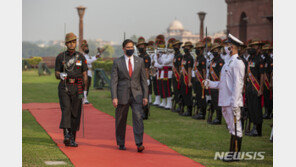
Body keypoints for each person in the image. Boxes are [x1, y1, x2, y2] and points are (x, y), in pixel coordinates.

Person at [203, 34, 245, 162]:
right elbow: (223, 84)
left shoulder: (238, 63)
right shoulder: (228, 63)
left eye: (228, 45)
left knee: (236, 128)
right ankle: (231, 153)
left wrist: (235, 103)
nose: (226, 47)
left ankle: (235, 155)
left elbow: (238, 85)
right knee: (231, 128)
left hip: (232, 102)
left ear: (233, 47)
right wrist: (209, 83)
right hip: (225, 100)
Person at [111, 39, 148, 152]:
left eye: (132, 47)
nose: (130, 49)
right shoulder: (117, 62)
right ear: (123, 49)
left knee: (138, 118)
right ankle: (121, 143)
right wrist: (114, 97)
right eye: (128, 47)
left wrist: (145, 96)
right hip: (122, 95)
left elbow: (143, 80)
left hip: (137, 94)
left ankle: (139, 143)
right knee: (121, 120)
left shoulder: (140, 61)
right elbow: (114, 81)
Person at [55, 32, 88, 147]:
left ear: (76, 43)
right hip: (65, 86)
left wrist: (85, 92)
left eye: (73, 42)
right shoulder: (60, 57)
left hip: (78, 87)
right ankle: (67, 135)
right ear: (66, 44)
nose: (71, 44)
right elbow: (56, 73)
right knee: (66, 109)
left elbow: (85, 74)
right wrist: (60, 75)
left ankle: (72, 138)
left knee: (76, 112)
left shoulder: (81, 57)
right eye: (69, 42)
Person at [245, 39, 265, 137]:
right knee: (251, 108)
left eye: (254, 46)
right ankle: (252, 126)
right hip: (249, 87)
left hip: (256, 88)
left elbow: (262, 75)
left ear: (258, 48)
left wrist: (261, 88)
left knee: (257, 109)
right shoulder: (250, 59)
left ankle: (257, 129)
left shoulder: (260, 60)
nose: (252, 48)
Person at [81, 40, 104, 104]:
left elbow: (93, 58)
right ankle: (83, 99)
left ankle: (85, 98)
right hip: (85, 72)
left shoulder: (88, 55)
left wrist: (99, 53)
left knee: (88, 86)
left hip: (89, 72)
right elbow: (89, 61)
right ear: (82, 49)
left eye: (87, 47)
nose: (87, 49)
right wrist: (96, 56)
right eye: (85, 48)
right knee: (85, 86)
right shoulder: (82, 56)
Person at [208, 43, 225, 125]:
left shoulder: (220, 61)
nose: (215, 52)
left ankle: (219, 118)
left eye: (216, 50)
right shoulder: (213, 61)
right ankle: (216, 117)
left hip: (218, 83)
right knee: (214, 101)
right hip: (212, 83)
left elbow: (221, 74)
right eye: (213, 50)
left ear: (219, 51)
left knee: (218, 102)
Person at [136, 37, 151, 120]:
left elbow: (146, 69)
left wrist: (147, 79)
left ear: (145, 47)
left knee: (144, 97)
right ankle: (141, 111)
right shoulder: (139, 56)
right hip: (138, 79)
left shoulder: (146, 57)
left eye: (142, 46)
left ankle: (145, 113)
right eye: (139, 46)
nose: (141, 47)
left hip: (144, 78)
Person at [192, 42, 207, 120]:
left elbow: (204, 71)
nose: (197, 51)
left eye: (198, 49)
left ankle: (202, 113)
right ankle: (198, 111)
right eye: (196, 49)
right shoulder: (197, 58)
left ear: (202, 50)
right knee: (198, 96)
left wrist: (204, 80)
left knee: (202, 97)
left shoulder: (202, 59)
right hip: (196, 80)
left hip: (201, 81)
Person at [179, 41, 194, 116]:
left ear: (190, 49)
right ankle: (183, 108)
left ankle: (189, 110)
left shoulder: (190, 58)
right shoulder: (183, 57)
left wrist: (189, 81)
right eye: (185, 47)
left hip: (187, 78)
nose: (186, 49)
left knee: (188, 95)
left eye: (188, 47)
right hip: (182, 78)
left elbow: (189, 70)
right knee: (183, 94)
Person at [171, 40, 183, 113]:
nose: (176, 47)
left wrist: (179, 76)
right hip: (174, 75)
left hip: (178, 76)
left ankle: (180, 105)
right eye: (175, 46)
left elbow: (180, 67)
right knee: (175, 91)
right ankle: (177, 104)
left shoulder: (180, 56)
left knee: (179, 91)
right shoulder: (175, 55)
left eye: (177, 46)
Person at [262, 43, 273, 119]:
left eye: (266, 51)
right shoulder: (264, 60)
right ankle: (266, 112)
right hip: (265, 82)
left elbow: (271, 72)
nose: (265, 52)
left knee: (270, 98)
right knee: (266, 98)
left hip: (269, 82)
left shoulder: (271, 60)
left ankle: (269, 113)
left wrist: (271, 83)